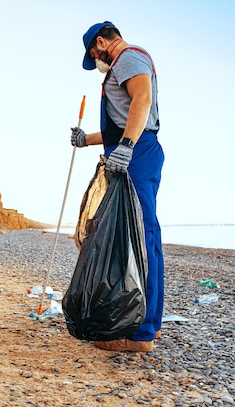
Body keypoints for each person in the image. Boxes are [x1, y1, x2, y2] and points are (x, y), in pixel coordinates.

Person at [71, 21, 165, 353]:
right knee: (129, 239)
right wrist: (87, 140)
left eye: (94, 54)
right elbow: (123, 120)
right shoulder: (119, 66)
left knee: (143, 239)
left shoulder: (128, 56)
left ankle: (142, 335)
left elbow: (142, 100)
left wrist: (126, 146)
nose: (96, 61)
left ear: (101, 42)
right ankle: (131, 321)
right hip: (129, 151)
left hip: (138, 153)